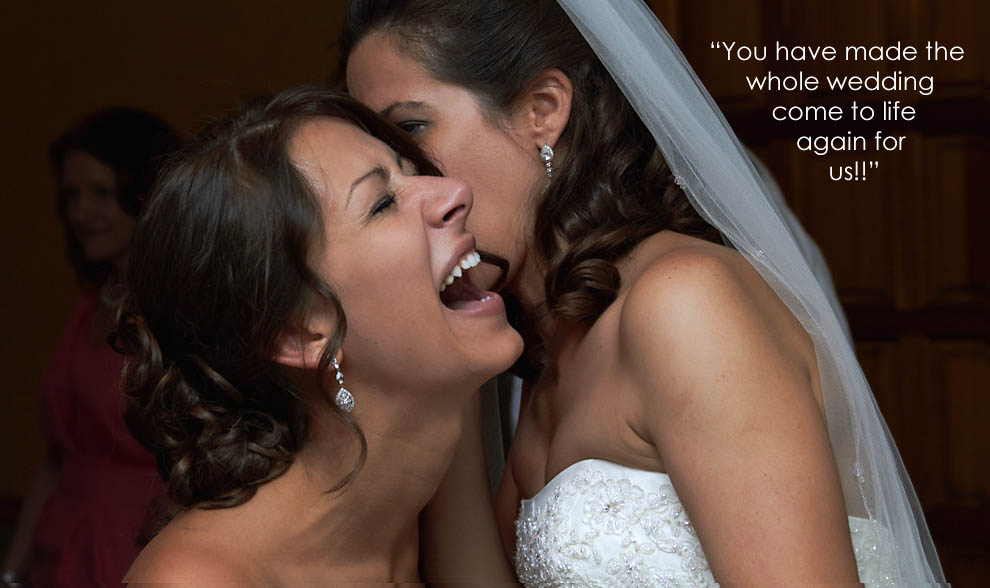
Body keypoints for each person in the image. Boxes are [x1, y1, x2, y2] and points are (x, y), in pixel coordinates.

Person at [340, 0, 945, 585]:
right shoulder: (543, 359)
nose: (415, 191)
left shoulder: (684, 304)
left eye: (412, 131)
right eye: (384, 169)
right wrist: (450, 383)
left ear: (543, 110)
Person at [113, 87, 523, 584]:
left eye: (411, 170)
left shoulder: (441, 433)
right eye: (383, 203)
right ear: (299, 333)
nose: (453, 191)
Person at [1, 108, 179, 588]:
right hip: (58, 547)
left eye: (101, 193)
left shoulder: (180, 314)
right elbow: (55, 462)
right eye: (71, 196)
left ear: (145, 194)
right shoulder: (86, 307)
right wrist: (12, 571)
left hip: (135, 549)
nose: (81, 212)